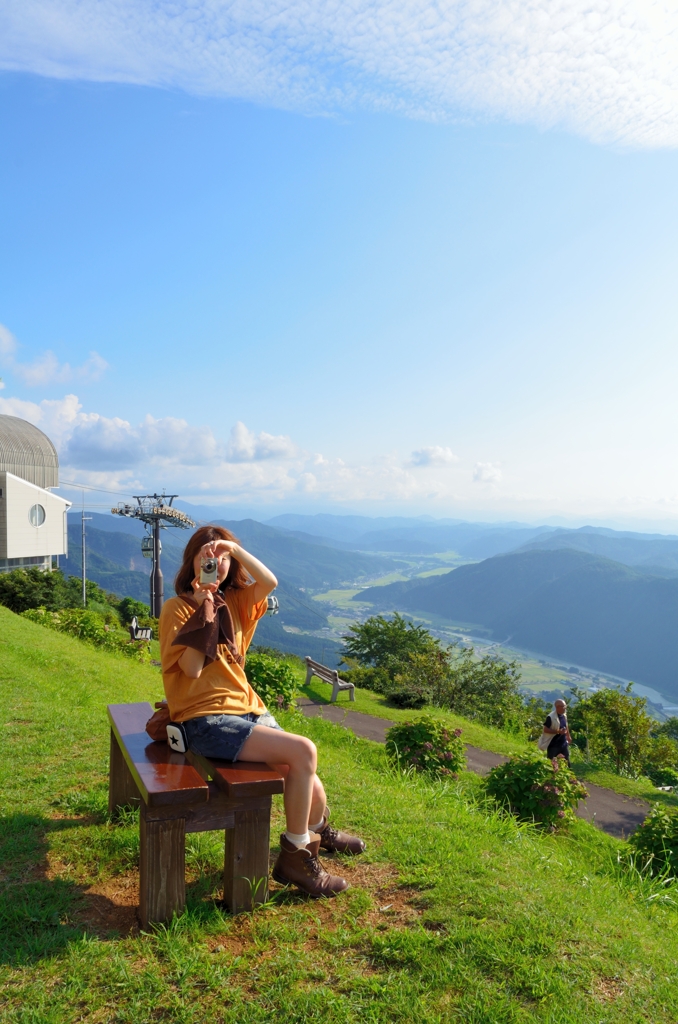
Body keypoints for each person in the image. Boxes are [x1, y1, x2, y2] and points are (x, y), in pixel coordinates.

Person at [159, 524, 365, 898]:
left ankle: (319, 830)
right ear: (191, 561)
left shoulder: (236, 603)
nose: (215, 562)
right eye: (206, 555)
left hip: (248, 710)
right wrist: (204, 606)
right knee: (304, 752)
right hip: (204, 719)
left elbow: (269, 581)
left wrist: (232, 550)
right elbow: (190, 669)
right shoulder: (176, 609)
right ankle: (295, 858)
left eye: (221, 557)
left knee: (310, 784)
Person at [542, 699, 572, 765]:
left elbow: (566, 725)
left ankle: (567, 775)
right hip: (553, 744)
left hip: (563, 743)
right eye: (563, 706)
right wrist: (557, 731)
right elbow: (545, 729)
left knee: (566, 762)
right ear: (557, 707)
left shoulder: (564, 715)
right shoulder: (550, 717)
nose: (565, 708)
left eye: (565, 706)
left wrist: (568, 736)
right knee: (551, 763)